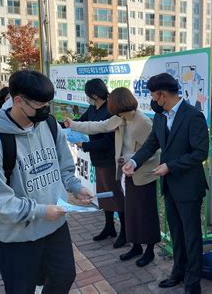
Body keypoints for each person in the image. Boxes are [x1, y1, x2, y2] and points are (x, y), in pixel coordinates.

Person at [0, 70, 94, 293]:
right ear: (18, 100)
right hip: (17, 236)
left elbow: (64, 167)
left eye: (48, 104)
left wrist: (76, 187)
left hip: (55, 226)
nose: (45, 110)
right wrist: (39, 211)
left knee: (64, 277)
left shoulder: (49, 124)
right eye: (40, 105)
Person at [123, 73, 209, 294]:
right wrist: (134, 161)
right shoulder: (161, 116)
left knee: (191, 235)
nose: (151, 98)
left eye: (153, 94)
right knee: (176, 232)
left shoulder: (193, 116)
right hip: (170, 185)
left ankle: (193, 282)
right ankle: (177, 272)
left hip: (189, 186)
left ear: (162, 95)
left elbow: (200, 153)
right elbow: (152, 143)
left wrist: (170, 166)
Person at [66, 87, 161, 266]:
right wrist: (73, 124)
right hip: (127, 174)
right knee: (132, 212)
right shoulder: (120, 118)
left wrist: (133, 160)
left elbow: (155, 151)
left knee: (146, 214)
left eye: (111, 103)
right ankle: (136, 246)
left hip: (143, 175)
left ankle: (149, 250)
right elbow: (98, 126)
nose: (109, 106)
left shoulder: (142, 122)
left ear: (118, 104)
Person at [62, 79, 126, 248]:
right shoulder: (92, 108)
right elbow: (82, 123)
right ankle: (109, 226)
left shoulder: (111, 111)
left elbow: (109, 141)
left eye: (89, 95)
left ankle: (125, 232)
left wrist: (86, 145)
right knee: (104, 195)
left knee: (115, 195)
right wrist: (65, 123)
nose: (88, 99)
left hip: (110, 159)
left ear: (94, 95)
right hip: (98, 159)